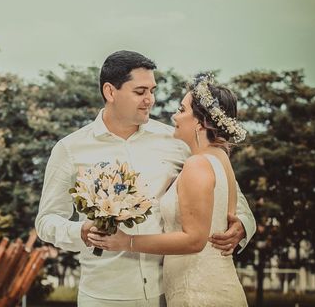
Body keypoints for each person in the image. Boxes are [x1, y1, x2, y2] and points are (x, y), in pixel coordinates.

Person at [35, 51, 255, 306]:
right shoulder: (70, 149)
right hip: (105, 295)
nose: (149, 100)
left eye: (152, 90)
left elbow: (229, 192)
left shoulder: (175, 141)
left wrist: (244, 226)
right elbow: (46, 220)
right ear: (110, 92)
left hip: (168, 293)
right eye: (140, 92)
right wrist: (80, 232)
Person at [88, 73, 249, 306]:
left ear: (200, 122)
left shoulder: (198, 164)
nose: (174, 116)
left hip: (198, 291)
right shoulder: (221, 159)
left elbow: (194, 240)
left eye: (181, 110)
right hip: (213, 283)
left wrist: (126, 242)